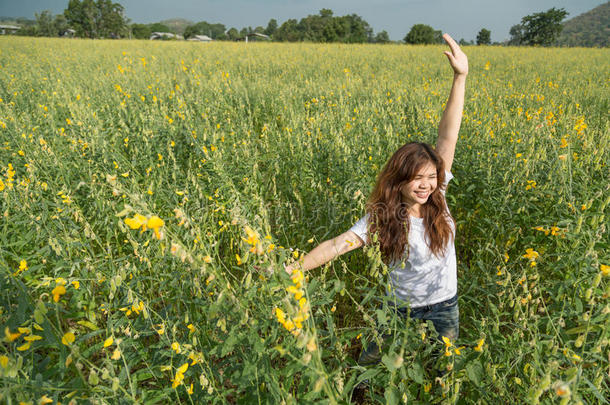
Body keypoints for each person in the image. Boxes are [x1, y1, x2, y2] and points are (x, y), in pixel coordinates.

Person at [284, 33, 468, 365]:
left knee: (443, 367)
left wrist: (460, 77)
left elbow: (447, 135)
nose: (426, 186)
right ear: (399, 179)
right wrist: (296, 268)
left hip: (445, 305)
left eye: (431, 177)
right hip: (399, 310)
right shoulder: (383, 217)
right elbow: (338, 244)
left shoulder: (438, 195)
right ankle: (356, 394)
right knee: (370, 363)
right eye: (417, 178)